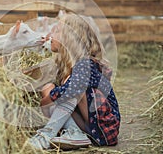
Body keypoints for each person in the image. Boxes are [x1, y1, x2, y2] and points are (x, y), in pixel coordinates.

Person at [28, 13, 121, 150]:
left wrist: (47, 100)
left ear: (69, 38)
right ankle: (74, 132)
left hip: (103, 130)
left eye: (57, 30)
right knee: (48, 87)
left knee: (72, 90)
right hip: (89, 125)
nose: (51, 33)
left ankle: (46, 136)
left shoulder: (85, 64)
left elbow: (71, 91)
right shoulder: (68, 66)